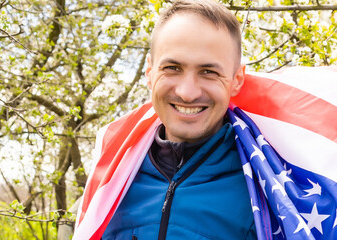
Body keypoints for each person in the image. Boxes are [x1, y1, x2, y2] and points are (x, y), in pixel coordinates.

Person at [100, 0, 256, 239]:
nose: (187, 92)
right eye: (172, 68)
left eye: (209, 72)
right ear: (150, 73)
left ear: (237, 79)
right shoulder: (112, 175)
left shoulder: (263, 187)